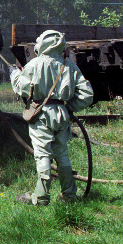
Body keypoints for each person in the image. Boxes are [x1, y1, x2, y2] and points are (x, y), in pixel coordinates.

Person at [10, 29, 94, 206]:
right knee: (62, 155)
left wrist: (14, 74)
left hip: (41, 114)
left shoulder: (34, 64)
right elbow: (87, 95)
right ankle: (69, 196)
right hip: (61, 114)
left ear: (42, 45)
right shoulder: (69, 66)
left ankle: (40, 198)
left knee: (42, 155)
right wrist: (68, 108)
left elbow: (21, 87)